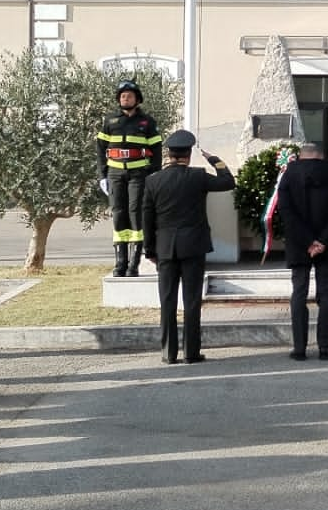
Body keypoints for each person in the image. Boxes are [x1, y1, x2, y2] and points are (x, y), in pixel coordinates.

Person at [141, 130, 235, 363]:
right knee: (191, 301)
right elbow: (228, 182)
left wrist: (150, 250)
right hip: (193, 246)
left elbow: (146, 219)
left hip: (165, 248)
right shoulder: (197, 176)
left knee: (167, 300)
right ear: (188, 155)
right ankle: (191, 353)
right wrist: (215, 160)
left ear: (169, 154)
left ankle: (168, 353)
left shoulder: (153, 181)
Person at [275, 141, 328, 361]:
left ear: (302, 156)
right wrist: (323, 241)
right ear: (321, 155)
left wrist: (307, 241)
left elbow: (285, 211)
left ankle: (299, 348)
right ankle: (325, 347)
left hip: (299, 244)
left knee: (299, 293)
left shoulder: (289, 175)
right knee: (326, 294)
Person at [97, 80, 163, 278]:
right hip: (115, 174)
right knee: (118, 214)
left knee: (136, 213)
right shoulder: (110, 121)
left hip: (138, 175)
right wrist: (102, 175)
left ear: (137, 99)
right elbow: (101, 149)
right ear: (119, 99)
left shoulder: (147, 122)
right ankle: (120, 263)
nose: (126, 98)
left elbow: (156, 150)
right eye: (123, 96)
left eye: (130, 96)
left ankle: (134, 264)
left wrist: (153, 173)